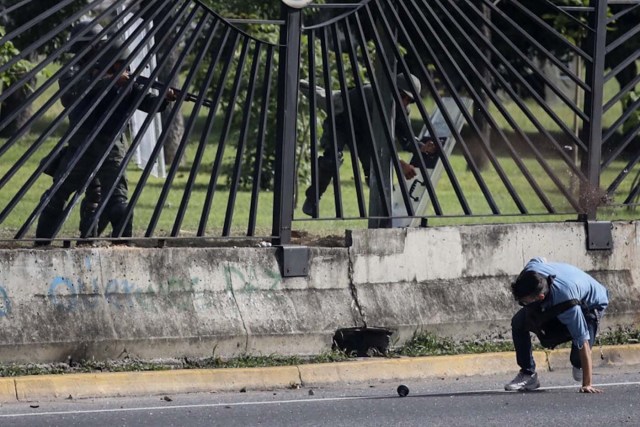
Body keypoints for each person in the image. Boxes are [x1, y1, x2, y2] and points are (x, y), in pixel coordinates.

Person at [35, 38, 177, 245]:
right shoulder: (88, 81)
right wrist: (110, 81)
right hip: (85, 146)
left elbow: (149, 104)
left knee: (114, 199)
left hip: (105, 147)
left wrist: (165, 98)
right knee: (58, 195)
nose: (126, 69)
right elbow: (76, 96)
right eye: (121, 65)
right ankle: (42, 242)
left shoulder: (126, 84)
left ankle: (119, 243)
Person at [301, 73, 438, 217]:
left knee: (376, 174)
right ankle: (312, 198)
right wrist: (399, 163)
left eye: (409, 100)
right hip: (341, 122)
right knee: (331, 160)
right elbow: (376, 140)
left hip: (364, 137)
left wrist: (421, 146)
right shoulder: (370, 95)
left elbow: (406, 138)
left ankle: (383, 214)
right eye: (403, 96)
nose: (405, 102)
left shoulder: (401, 110)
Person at [504, 257, 609, 393]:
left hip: (591, 305)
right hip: (561, 293)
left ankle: (579, 364)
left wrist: (587, 383)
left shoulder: (567, 303)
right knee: (518, 322)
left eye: (524, 302)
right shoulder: (531, 271)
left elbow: (582, 341)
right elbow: (539, 259)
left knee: (578, 357)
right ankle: (528, 374)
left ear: (540, 297)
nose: (522, 304)